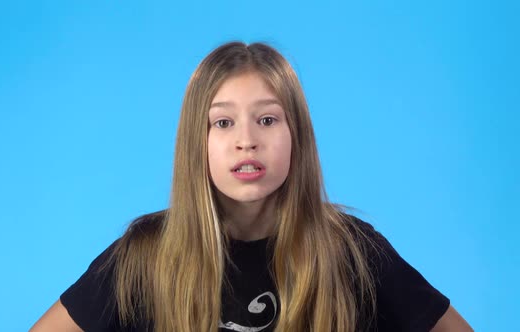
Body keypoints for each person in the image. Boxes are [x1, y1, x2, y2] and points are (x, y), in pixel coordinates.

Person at [30, 42, 473, 332]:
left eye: (267, 119)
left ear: (295, 133)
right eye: (223, 122)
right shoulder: (142, 257)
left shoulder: (354, 253)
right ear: (195, 143)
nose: (247, 139)